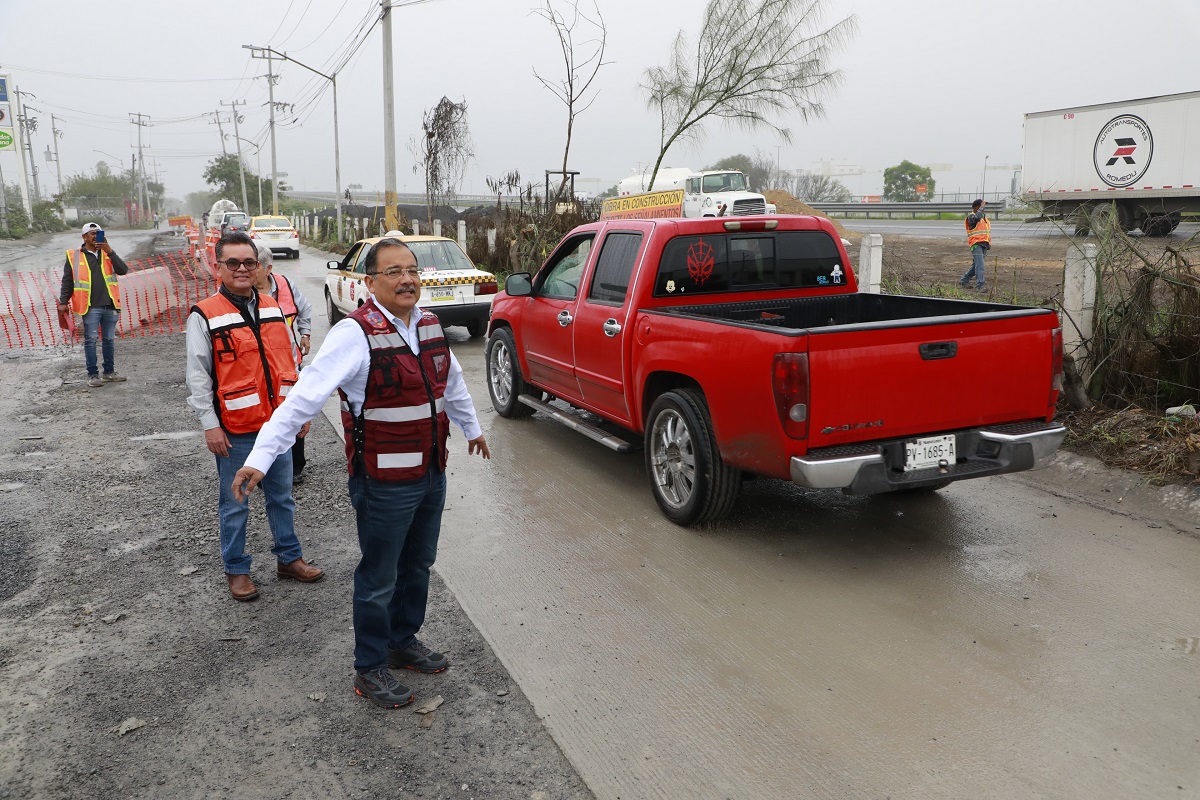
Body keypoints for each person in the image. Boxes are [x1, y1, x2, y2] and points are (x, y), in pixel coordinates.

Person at [231, 238, 490, 709]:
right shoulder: (355, 333)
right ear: (369, 283)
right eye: (393, 272)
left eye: (412, 270)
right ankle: (369, 667)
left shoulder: (430, 324)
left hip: (431, 472)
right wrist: (260, 458)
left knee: (418, 564)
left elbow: (450, 383)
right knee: (379, 577)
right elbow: (303, 398)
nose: (407, 279)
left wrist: (472, 429)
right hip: (383, 482)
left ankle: (401, 640)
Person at [185, 230, 324, 602]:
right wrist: (209, 424)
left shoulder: (272, 305)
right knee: (235, 503)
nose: (242, 269)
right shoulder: (205, 314)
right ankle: (237, 570)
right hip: (235, 430)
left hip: (277, 425)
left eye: (249, 262)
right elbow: (198, 375)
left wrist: (297, 413)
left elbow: (287, 363)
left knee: (282, 497)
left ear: (259, 266)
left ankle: (288, 559)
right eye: (233, 263)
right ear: (219, 268)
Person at [253, 241, 313, 485]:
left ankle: (295, 466)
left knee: (293, 414)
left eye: (253, 266)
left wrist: (306, 333)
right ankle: (262, 463)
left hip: (289, 363)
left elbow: (305, 309)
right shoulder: (241, 293)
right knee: (262, 414)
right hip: (257, 367)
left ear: (268, 268)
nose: (247, 271)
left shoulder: (286, 286)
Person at [58, 223, 130, 388]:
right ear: (84, 237)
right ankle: (93, 375)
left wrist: (109, 250)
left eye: (98, 233)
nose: (95, 236)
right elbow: (67, 281)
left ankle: (109, 373)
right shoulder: (74, 256)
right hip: (90, 307)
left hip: (110, 305)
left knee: (109, 340)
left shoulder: (107, 253)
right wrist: (63, 302)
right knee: (90, 340)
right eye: (92, 233)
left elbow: (123, 270)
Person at [959, 198, 990, 291]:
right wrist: (981, 210)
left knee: (976, 265)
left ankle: (964, 280)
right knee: (980, 265)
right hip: (976, 244)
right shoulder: (971, 217)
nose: (984, 208)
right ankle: (979, 286)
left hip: (984, 244)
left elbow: (985, 232)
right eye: (982, 206)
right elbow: (977, 218)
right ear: (977, 207)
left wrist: (987, 243)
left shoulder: (984, 218)